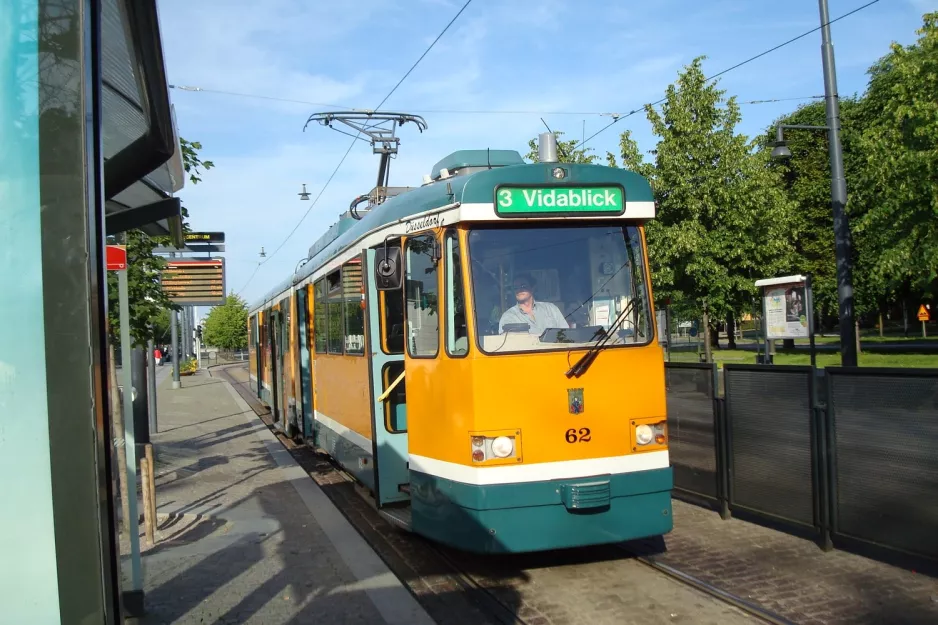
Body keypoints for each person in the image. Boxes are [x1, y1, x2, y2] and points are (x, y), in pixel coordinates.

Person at [499, 273, 568, 335]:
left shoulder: (551, 309)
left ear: (532, 288)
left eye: (523, 286)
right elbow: (506, 344)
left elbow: (566, 334)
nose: (519, 290)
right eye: (515, 288)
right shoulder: (508, 316)